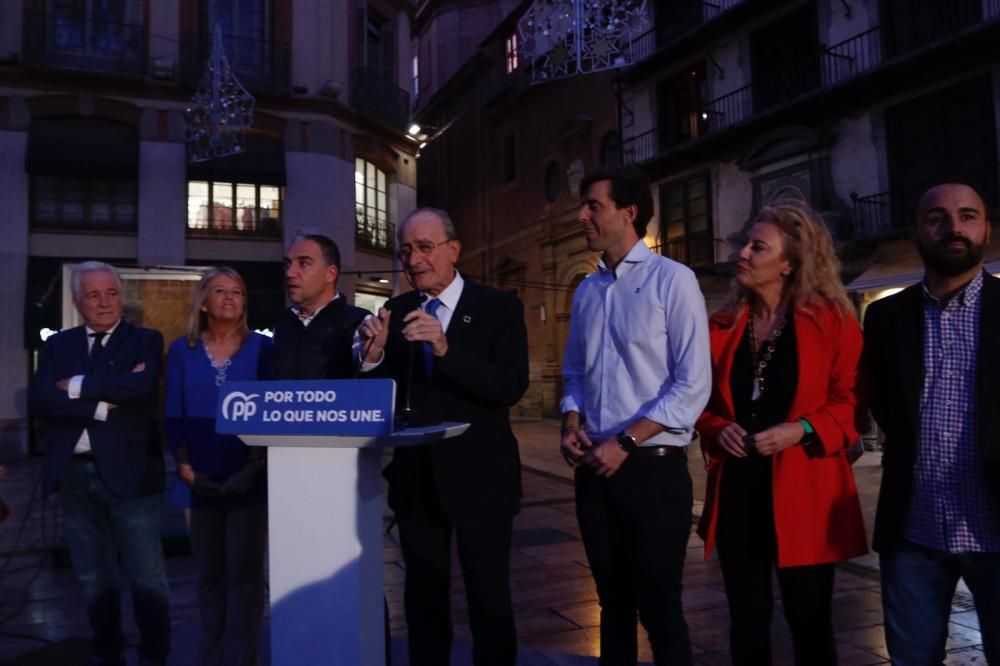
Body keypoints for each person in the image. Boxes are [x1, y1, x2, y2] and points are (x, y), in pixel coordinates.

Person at [696, 202, 868, 665]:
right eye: (746, 245)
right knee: (746, 622)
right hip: (738, 495)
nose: (744, 254)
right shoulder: (723, 325)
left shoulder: (832, 321)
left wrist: (802, 429)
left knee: (810, 623)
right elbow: (704, 406)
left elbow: (852, 402)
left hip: (805, 495)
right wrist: (717, 429)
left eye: (758, 246)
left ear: (789, 263)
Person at [358, 208, 529, 666]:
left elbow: (510, 387)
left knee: (488, 600)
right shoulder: (396, 310)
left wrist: (446, 349)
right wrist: (373, 359)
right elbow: (386, 396)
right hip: (418, 482)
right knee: (424, 601)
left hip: (483, 480)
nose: (413, 259)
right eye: (406, 250)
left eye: (425, 247)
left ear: (454, 249)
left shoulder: (499, 307)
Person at [560, 166, 711, 666]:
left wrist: (625, 441)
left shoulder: (675, 281)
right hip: (595, 472)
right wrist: (571, 422)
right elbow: (575, 373)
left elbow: (692, 386)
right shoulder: (587, 290)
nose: (582, 215)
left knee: (660, 606)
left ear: (629, 213)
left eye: (593, 205)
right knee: (612, 605)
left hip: (652, 469)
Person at [863, 182, 1000, 665]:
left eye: (967, 216)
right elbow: (880, 401)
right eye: (937, 218)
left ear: (985, 227)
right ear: (918, 230)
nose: (954, 228)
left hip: (995, 527)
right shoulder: (884, 317)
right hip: (913, 529)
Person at [30, 261, 170, 666]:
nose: (104, 302)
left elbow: (140, 388)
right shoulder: (58, 345)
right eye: (93, 295)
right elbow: (41, 400)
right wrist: (106, 406)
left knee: (147, 578)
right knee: (93, 577)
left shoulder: (145, 340)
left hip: (131, 478)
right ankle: (107, 653)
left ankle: (154, 656)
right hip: (73, 477)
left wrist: (73, 387)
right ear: (77, 301)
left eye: (111, 292)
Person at [164, 267, 272, 666]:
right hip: (197, 478)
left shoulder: (263, 348)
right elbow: (173, 415)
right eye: (220, 291)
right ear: (204, 303)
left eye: (238, 292)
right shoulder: (181, 350)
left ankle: (243, 659)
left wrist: (254, 466)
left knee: (244, 580)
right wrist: (184, 465)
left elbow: (268, 414)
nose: (230, 297)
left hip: (249, 477)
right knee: (209, 578)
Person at [274, 233, 370, 380]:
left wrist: (372, 356)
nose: (290, 273)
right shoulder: (283, 322)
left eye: (303, 263)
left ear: (330, 274)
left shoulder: (359, 322)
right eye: (287, 264)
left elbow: (370, 387)